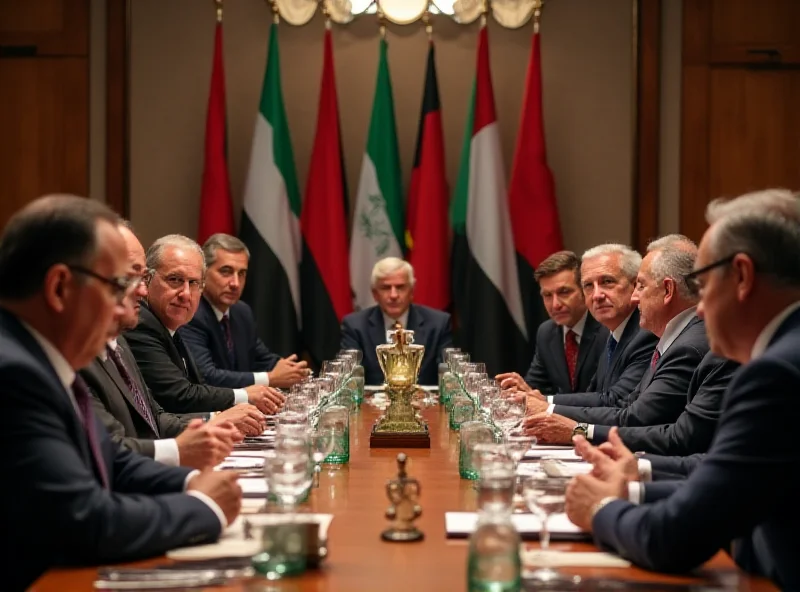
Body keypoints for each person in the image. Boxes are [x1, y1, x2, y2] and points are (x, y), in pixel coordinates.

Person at [0, 196, 241, 590]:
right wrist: (203, 508)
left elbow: (109, 459)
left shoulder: (43, 357)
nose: (129, 305)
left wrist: (187, 483)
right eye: (117, 286)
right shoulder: (15, 375)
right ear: (59, 288)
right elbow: (83, 520)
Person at [565, 189, 800, 589]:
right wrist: (634, 483)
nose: (701, 309)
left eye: (704, 285)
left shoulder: (777, 374)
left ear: (742, 276)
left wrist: (600, 508)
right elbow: (729, 482)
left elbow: (675, 538)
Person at [81, 223, 266, 467]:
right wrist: (184, 455)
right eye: (129, 277)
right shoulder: (94, 349)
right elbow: (111, 452)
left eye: (193, 283)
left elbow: (155, 418)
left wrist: (215, 422)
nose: (141, 289)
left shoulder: (121, 342)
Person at [524, 236, 713, 443]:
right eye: (588, 285)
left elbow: (639, 417)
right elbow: (624, 404)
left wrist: (571, 425)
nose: (635, 296)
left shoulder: (683, 345)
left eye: (640, 286)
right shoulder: (621, 333)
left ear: (667, 290)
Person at [125, 234, 285, 414]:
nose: (185, 294)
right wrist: (244, 396)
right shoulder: (140, 324)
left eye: (193, 283)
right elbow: (178, 396)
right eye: (175, 279)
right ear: (147, 279)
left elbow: (198, 385)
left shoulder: (172, 324)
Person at [520, 244, 658, 411]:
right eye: (589, 286)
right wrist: (527, 396)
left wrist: (545, 403)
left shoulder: (646, 332)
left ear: (636, 285)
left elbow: (617, 400)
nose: (597, 295)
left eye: (607, 282)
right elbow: (596, 393)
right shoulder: (613, 329)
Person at [180, 233, 308, 389]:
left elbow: (262, 358)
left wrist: (293, 371)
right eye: (226, 271)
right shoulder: (191, 312)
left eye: (241, 274)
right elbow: (206, 376)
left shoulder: (241, 311)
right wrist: (269, 378)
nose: (235, 283)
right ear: (203, 273)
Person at [496, 251, 607, 394]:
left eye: (564, 292)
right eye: (547, 295)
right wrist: (521, 389)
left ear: (585, 290)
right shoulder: (547, 332)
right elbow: (535, 386)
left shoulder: (606, 329)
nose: (555, 305)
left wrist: (546, 401)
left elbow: (603, 397)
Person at [340, 257, 452, 385]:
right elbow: (349, 377)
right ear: (375, 294)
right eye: (386, 288)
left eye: (400, 287)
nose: (393, 295)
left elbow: (447, 374)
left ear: (412, 291)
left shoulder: (438, 323)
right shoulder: (355, 326)